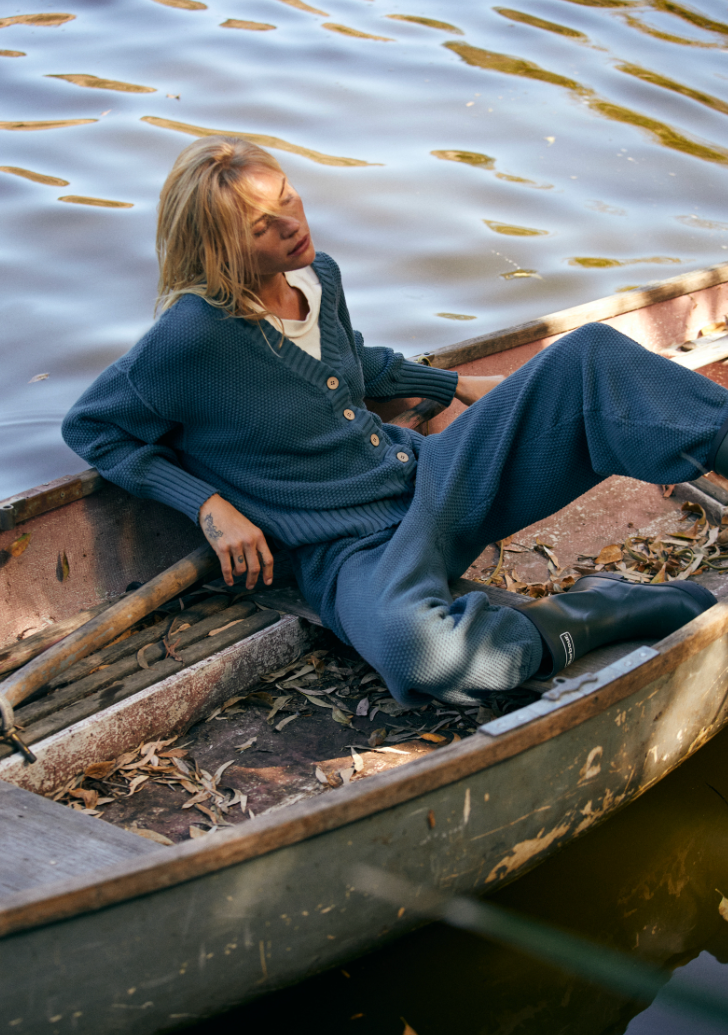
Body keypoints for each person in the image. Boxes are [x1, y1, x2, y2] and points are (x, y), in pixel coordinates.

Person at [62, 136, 728, 708]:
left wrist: (455, 383)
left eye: (288, 197)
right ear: (220, 248)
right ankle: (603, 610)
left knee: (587, 359)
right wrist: (207, 505)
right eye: (262, 224)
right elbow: (94, 428)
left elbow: (355, 362)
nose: (292, 222)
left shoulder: (317, 275)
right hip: (351, 550)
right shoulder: (192, 338)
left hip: (428, 475)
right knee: (426, 659)